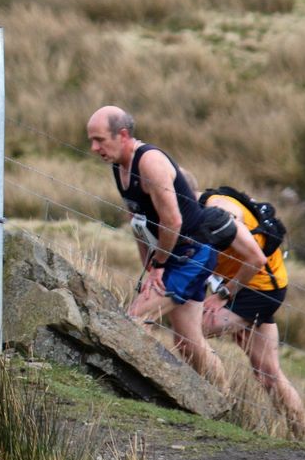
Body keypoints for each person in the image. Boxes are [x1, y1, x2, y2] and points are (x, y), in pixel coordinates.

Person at [86, 105, 266, 388]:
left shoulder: (150, 163)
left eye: (99, 140)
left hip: (191, 255)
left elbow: (172, 220)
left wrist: (158, 267)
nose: (94, 148)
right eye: (91, 141)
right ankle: (223, 401)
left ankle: (129, 389)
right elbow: (140, 223)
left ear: (122, 134)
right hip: (171, 256)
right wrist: (150, 268)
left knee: (134, 321)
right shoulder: (118, 164)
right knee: (189, 343)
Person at [197, 185, 305, 438]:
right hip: (257, 285)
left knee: (191, 334)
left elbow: (253, 256)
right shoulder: (199, 205)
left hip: (257, 290)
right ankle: (303, 437)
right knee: (267, 373)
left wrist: (223, 295)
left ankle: (219, 406)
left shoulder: (219, 208)